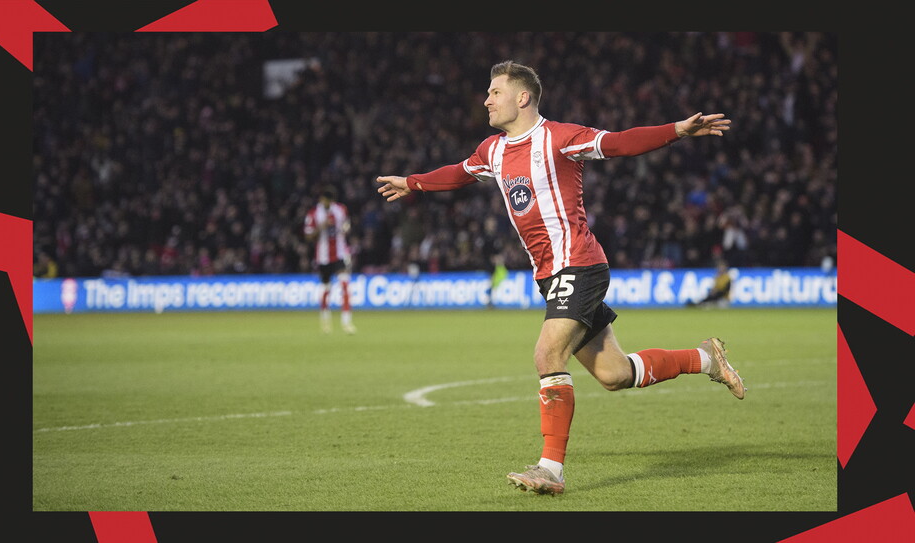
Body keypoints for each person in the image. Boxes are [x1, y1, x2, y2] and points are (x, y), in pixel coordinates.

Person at [376, 60, 746, 496]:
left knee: (547, 354)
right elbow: (459, 173)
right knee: (614, 374)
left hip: (580, 264)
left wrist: (676, 130)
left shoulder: (560, 138)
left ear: (523, 97)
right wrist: (414, 183)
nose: (486, 99)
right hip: (549, 276)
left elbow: (620, 143)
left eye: (495, 92)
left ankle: (550, 468)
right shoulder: (491, 151)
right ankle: (705, 357)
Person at [304, 186, 356, 334]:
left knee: (345, 284)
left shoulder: (340, 209)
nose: (328, 204)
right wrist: (320, 228)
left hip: (339, 254)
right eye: (326, 201)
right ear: (321, 199)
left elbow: (346, 225)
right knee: (326, 289)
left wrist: (346, 228)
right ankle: (325, 322)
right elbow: (308, 236)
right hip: (323, 257)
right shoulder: (314, 214)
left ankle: (347, 323)